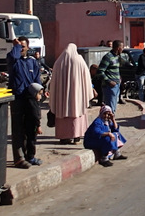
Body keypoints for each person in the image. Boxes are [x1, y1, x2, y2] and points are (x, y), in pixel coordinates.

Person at [49, 43, 94, 145]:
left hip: (62, 97)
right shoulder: (79, 60)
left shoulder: (58, 62)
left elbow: (53, 81)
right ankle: (76, 137)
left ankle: (64, 137)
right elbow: (86, 78)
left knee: (62, 113)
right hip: (77, 96)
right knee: (76, 112)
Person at [8, 37, 42, 169]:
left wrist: (40, 92)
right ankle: (19, 158)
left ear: (28, 47)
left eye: (23, 46)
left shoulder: (32, 62)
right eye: (19, 46)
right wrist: (15, 46)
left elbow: (37, 80)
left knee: (31, 129)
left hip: (31, 99)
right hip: (18, 98)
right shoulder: (13, 60)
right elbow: (12, 56)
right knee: (18, 130)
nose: (21, 48)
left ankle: (30, 156)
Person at [97, 40, 123, 113]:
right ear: (118, 48)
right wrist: (109, 81)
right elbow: (100, 71)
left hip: (117, 85)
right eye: (122, 47)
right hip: (109, 87)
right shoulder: (108, 57)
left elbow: (115, 69)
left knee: (114, 108)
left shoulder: (117, 57)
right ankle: (109, 123)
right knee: (110, 109)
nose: (123, 49)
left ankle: (112, 123)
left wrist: (119, 77)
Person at [24, 82, 44, 165]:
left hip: (31, 124)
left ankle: (29, 156)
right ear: (34, 93)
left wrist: (44, 97)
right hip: (32, 125)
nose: (41, 96)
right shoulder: (31, 103)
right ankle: (31, 157)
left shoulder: (32, 101)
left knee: (31, 140)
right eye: (40, 94)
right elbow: (35, 116)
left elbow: (38, 101)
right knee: (31, 141)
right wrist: (38, 126)